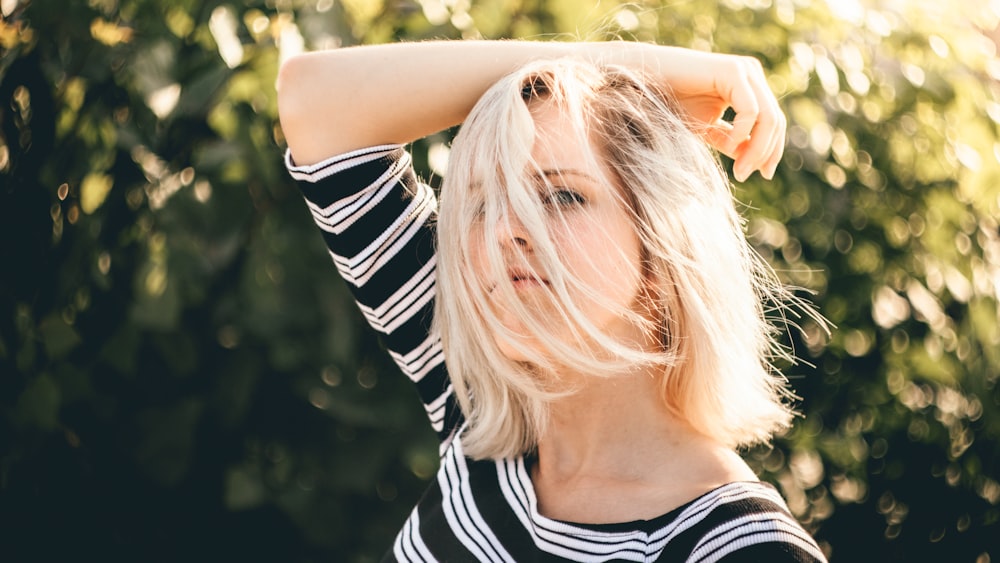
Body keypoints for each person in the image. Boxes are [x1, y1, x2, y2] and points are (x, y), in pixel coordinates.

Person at [277, 40, 828, 562]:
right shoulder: (478, 395)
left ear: (662, 241)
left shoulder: (742, 549)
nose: (504, 231)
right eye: (481, 203)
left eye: (562, 195)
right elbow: (312, 98)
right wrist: (642, 68)